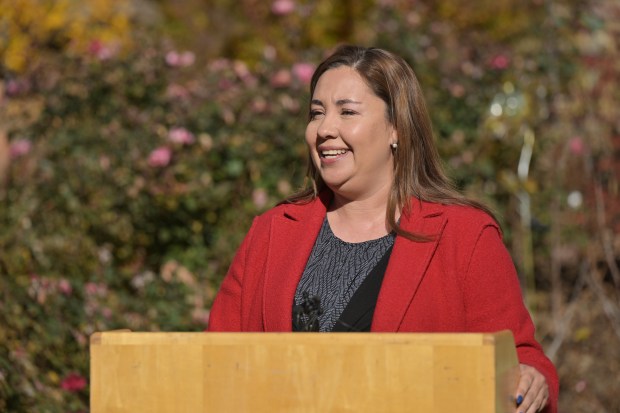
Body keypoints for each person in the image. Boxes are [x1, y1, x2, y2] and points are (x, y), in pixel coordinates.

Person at [207, 45, 558, 413]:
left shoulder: (465, 236)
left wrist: (531, 377)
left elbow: (520, 356)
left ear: (396, 128)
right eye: (316, 113)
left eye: (347, 112)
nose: (324, 129)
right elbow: (214, 363)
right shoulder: (271, 233)